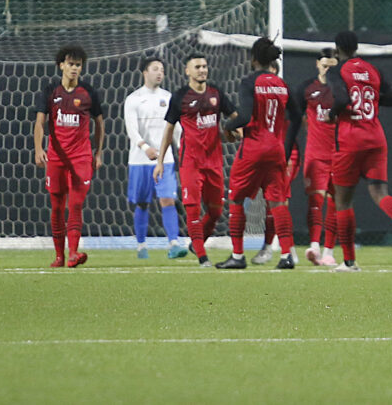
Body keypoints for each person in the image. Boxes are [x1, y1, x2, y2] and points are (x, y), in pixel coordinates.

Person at [327, 31, 392, 272]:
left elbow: (340, 100)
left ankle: (349, 262)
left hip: (350, 140)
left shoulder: (337, 71)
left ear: (338, 49)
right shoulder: (372, 70)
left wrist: (331, 114)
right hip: (376, 138)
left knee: (343, 201)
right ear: (357, 47)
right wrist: (368, 97)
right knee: (380, 192)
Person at [217, 38, 301, 270]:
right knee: (277, 202)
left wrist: (226, 126)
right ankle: (286, 255)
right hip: (276, 149)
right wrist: (285, 147)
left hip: (253, 148)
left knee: (236, 198)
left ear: (253, 59)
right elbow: (296, 116)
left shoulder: (249, 82)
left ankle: (237, 255)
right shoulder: (282, 84)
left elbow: (244, 116)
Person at [155, 53, 235, 267]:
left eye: (204, 66)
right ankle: (202, 257)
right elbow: (169, 129)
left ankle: (196, 243)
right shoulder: (180, 97)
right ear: (187, 71)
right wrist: (160, 161)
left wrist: (236, 132)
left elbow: (235, 118)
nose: (202, 70)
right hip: (190, 162)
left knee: (216, 211)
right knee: (192, 208)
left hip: (215, 162)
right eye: (197, 66)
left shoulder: (216, 93)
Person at [33, 45, 105, 268]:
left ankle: (73, 252)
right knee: (56, 206)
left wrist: (98, 152)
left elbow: (100, 123)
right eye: (70, 64)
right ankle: (59, 256)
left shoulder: (88, 92)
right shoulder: (50, 91)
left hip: (81, 158)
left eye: (78, 65)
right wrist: (38, 148)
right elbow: (39, 122)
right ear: (61, 65)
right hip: (56, 158)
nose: (74, 68)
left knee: (75, 204)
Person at [279, 47, 341, 267]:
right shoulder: (306, 88)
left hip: (339, 153)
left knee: (336, 201)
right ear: (317, 64)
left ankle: (329, 251)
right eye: (324, 64)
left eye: (331, 65)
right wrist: (286, 151)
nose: (327, 68)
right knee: (316, 199)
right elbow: (293, 120)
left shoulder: (342, 89)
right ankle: (314, 246)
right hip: (315, 153)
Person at [124, 56, 186, 259]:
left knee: (167, 199)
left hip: (165, 159)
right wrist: (144, 147)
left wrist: (183, 149)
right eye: (155, 69)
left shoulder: (169, 97)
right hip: (140, 160)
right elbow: (131, 129)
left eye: (162, 69)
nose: (160, 73)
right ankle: (141, 246)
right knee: (142, 203)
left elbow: (176, 128)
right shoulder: (133, 99)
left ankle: (174, 244)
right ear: (145, 72)